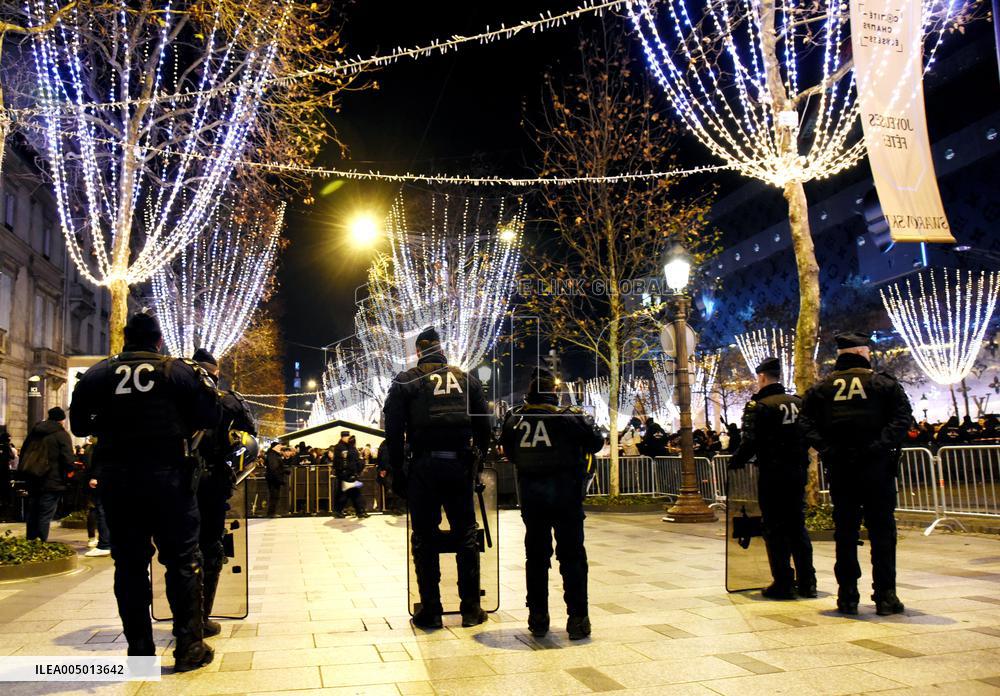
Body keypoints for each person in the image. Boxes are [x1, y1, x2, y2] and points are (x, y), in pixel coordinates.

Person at [69, 312, 221, 671]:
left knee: (130, 566)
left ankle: (139, 652)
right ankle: (189, 648)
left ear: (124, 339)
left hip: (119, 480)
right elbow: (210, 417)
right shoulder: (178, 371)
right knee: (183, 561)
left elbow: (78, 424)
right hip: (170, 478)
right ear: (158, 341)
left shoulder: (99, 373)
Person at [383, 326, 492, 629]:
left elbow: (392, 431)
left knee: (424, 537)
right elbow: (485, 427)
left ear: (418, 352)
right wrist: (478, 461)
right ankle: (470, 608)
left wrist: (397, 471)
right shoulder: (466, 379)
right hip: (459, 466)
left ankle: (430, 609)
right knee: (466, 535)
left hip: (424, 468)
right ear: (442, 350)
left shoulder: (407, 381)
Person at [800, 331, 912, 616]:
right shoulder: (883, 384)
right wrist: (877, 446)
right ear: (863, 353)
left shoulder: (821, 388)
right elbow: (901, 421)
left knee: (846, 532)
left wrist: (827, 448)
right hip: (877, 468)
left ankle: (847, 594)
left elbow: (805, 423)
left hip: (841, 468)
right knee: (882, 531)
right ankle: (885, 595)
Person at [500, 369, 604, 639]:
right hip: (566, 497)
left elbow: (508, 451)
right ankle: (578, 619)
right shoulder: (569, 418)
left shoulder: (515, 418)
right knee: (573, 558)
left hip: (532, 499)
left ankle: (537, 617)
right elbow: (595, 442)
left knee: (535, 558)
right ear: (555, 393)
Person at [728, 357, 816, 600]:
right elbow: (810, 434)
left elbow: (750, 442)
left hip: (772, 474)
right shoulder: (798, 402)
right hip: (797, 471)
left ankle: (783, 581)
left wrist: (735, 461)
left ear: (762, 377)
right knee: (797, 526)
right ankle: (808, 581)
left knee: (775, 527)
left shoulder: (759, 406)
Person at [191, 348, 258, 637]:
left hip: (175, 481)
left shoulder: (174, 397)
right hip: (212, 481)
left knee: (180, 552)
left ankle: (185, 619)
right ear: (215, 374)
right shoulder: (229, 401)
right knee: (211, 547)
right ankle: (200, 617)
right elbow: (249, 436)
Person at [20, 407, 74, 542]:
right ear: (62, 420)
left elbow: (24, 452)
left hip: (34, 477)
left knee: (33, 511)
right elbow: (68, 459)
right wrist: (69, 473)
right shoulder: (61, 434)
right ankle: (40, 542)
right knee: (45, 513)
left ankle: (30, 540)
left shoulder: (35, 431)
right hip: (53, 480)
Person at [84, 438, 111, 558]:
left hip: (102, 480)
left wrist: (94, 476)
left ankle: (104, 545)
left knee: (101, 511)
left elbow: (99, 460)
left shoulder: (102, 442)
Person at [333, 431, 368, 519]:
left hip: (351, 474)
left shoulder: (350, 447)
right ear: (342, 437)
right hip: (344, 474)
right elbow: (340, 462)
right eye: (346, 437)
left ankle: (359, 511)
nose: (348, 438)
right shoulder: (339, 447)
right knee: (345, 493)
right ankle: (339, 511)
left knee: (354, 493)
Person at [265, 443, 287, 518]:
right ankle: (271, 513)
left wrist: (284, 471)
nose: (280, 448)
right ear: (275, 447)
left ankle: (272, 512)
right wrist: (279, 478)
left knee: (274, 496)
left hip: (274, 478)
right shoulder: (272, 455)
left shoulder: (273, 455)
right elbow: (274, 468)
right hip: (274, 479)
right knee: (274, 496)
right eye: (279, 446)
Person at [0, 427, 15, 519]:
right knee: (5, 490)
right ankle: (6, 510)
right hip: (5, 471)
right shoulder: (6, 446)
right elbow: (12, 456)